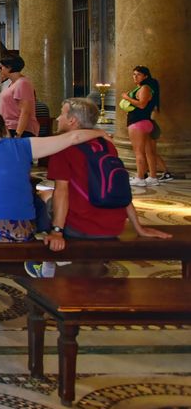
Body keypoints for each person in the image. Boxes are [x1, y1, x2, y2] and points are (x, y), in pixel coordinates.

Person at [0, 110, 109, 293]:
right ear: (3, 128)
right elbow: (73, 138)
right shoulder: (23, 146)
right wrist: (100, 132)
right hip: (21, 228)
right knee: (42, 199)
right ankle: (46, 250)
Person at [24, 98, 172, 278]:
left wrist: (57, 232)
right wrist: (138, 226)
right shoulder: (106, 144)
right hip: (113, 225)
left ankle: (47, 265)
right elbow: (118, 187)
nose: (58, 119)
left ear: (72, 121)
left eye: (62, 114)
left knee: (41, 199)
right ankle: (88, 264)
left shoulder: (64, 147)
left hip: (82, 227)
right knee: (49, 194)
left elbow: (62, 193)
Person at [120, 65, 161, 186]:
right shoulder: (145, 88)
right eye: (134, 74)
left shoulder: (145, 88)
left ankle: (140, 178)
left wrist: (126, 97)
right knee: (149, 152)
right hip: (145, 122)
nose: (135, 77)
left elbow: (142, 105)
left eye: (138, 74)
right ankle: (153, 177)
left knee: (139, 152)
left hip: (138, 123)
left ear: (145, 76)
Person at [0, 55, 40, 138]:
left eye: (1, 67)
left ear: (9, 68)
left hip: (17, 128)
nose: (0, 70)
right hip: (8, 127)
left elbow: (25, 111)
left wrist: (18, 133)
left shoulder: (22, 83)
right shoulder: (13, 83)